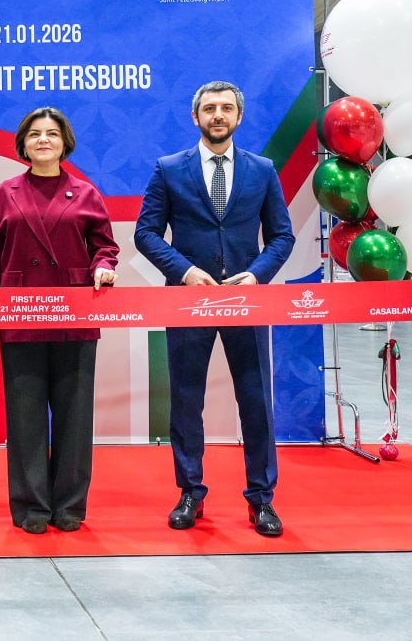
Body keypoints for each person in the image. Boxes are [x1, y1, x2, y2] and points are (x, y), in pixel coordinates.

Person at [134, 80, 294, 537]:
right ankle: (190, 492)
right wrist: (184, 271)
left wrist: (257, 274)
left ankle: (262, 499)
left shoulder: (262, 170)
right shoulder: (169, 169)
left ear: (239, 116)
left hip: (247, 301)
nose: (217, 114)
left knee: (256, 402)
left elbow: (282, 235)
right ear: (196, 117)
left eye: (226, 108)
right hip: (188, 302)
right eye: (209, 108)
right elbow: (146, 233)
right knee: (186, 401)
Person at [0, 107, 118, 535]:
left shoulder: (86, 193)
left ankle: (70, 505)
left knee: (75, 416)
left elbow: (105, 247)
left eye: (51, 134)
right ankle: (31, 506)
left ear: (64, 142)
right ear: (23, 143)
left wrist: (104, 266)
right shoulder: (4, 194)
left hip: (75, 316)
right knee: (25, 417)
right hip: (20, 316)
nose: (43, 140)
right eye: (35, 134)